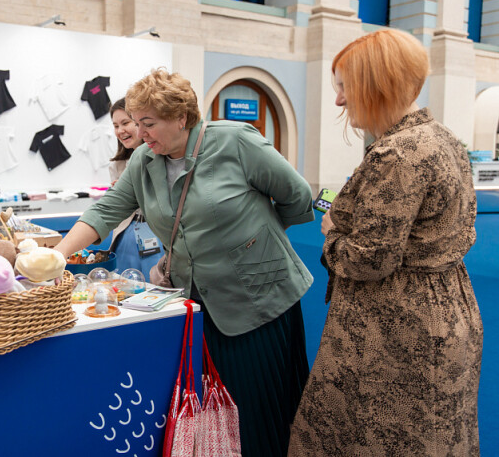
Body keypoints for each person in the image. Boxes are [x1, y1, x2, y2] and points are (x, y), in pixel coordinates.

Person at [54, 68, 315, 456]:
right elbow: (106, 211)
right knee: (218, 413)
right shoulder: (144, 160)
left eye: (149, 123)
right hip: (199, 305)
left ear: (182, 117)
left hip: (259, 303)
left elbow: (297, 196)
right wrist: (55, 255)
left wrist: (256, 239)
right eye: (136, 123)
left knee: (259, 412)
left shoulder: (233, 141)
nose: (140, 133)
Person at [288, 29, 483, 456]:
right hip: (446, 310)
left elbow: (369, 260)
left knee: (378, 438)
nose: (339, 100)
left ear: (376, 84)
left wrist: (333, 234)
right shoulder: (444, 139)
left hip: (393, 330)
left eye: (344, 87)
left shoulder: (397, 154)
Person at [107, 98, 162, 273]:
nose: (120, 130)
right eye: (116, 126)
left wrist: (133, 189)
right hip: (126, 238)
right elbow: (112, 209)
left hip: (157, 239)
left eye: (125, 123)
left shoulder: (162, 157)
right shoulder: (117, 165)